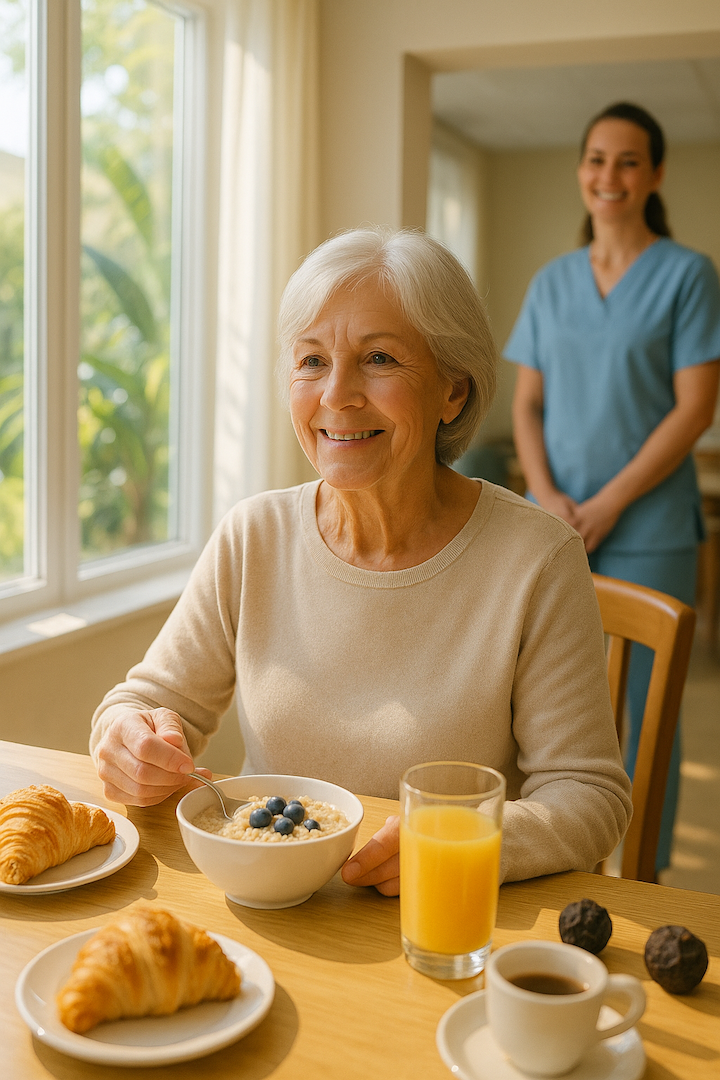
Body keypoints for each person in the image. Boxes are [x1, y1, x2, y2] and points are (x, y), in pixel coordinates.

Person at [91, 226, 632, 893]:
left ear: (453, 392)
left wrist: (461, 840)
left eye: (378, 359)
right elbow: (145, 699)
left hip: (437, 919)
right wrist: (126, 737)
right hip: (274, 910)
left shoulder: (538, 558)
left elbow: (588, 796)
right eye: (312, 360)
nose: (336, 395)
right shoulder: (253, 535)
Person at [507, 102, 720, 874]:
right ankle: (549, 859)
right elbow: (527, 403)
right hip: (551, 523)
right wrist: (547, 492)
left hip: (649, 527)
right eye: (597, 159)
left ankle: (642, 873)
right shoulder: (553, 281)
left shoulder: (687, 275)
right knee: (544, 702)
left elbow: (696, 407)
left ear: (655, 174)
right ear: (580, 170)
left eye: (629, 161)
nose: (610, 176)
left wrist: (608, 503)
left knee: (645, 710)